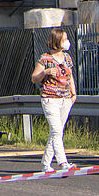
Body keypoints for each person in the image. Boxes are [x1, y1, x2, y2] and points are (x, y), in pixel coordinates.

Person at [32, 27, 76, 172]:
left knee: (57, 132)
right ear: (57, 41)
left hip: (65, 98)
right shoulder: (45, 59)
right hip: (50, 99)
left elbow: (70, 77)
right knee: (56, 131)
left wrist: (73, 93)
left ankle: (45, 163)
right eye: (64, 39)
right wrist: (44, 72)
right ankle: (63, 163)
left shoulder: (67, 58)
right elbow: (34, 78)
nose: (66, 42)